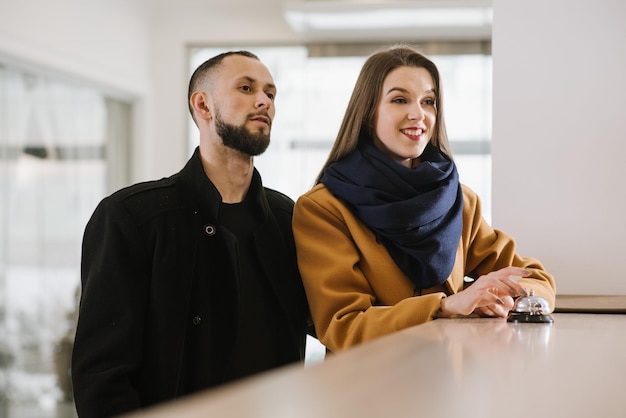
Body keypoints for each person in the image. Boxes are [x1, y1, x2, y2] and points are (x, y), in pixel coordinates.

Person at [71, 51, 311, 417]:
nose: (264, 101)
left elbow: (330, 319)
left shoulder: (286, 218)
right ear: (203, 104)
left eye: (270, 93)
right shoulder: (131, 217)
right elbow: (101, 378)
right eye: (246, 88)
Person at [292, 46, 556, 353]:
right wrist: (445, 306)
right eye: (399, 99)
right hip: (366, 388)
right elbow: (343, 325)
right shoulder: (324, 208)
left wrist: (502, 296)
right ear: (367, 112)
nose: (418, 114)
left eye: (428, 101)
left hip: (446, 385)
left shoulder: (459, 200)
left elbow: (537, 279)